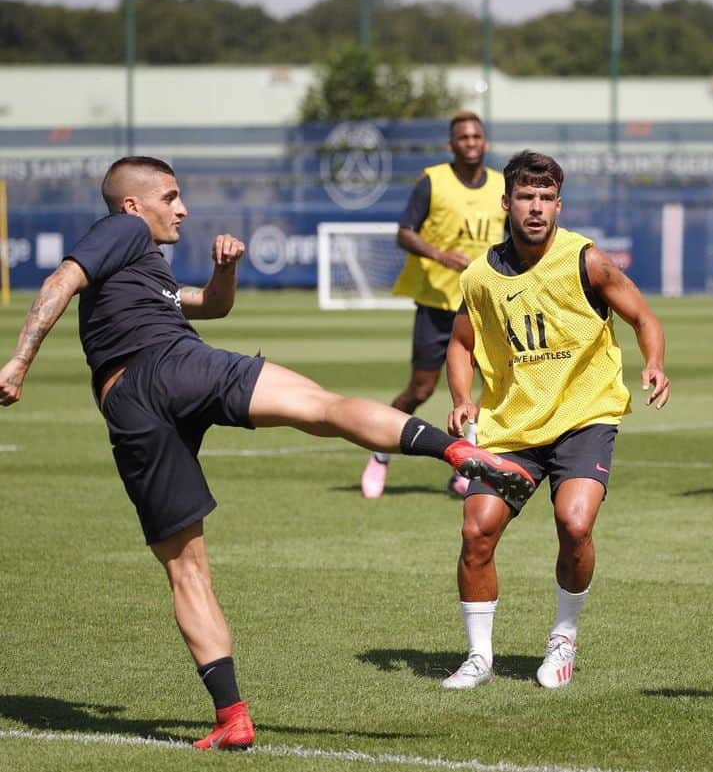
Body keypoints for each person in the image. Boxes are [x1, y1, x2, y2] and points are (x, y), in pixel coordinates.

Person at [0, 156, 536, 748]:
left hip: (128, 405)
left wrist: (223, 271)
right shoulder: (122, 230)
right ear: (132, 206)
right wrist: (19, 360)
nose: (183, 209)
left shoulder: (137, 266)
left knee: (187, 571)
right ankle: (455, 450)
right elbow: (58, 282)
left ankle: (232, 717)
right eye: (172, 197)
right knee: (321, 407)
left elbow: (210, 305)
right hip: (174, 365)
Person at [439, 150, 670, 690]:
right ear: (507, 203)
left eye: (546, 198)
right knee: (476, 532)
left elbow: (643, 316)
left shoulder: (587, 260)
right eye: (526, 197)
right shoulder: (478, 278)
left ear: (559, 204)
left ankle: (563, 638)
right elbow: (460, 342)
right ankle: (479, 657)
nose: (536, 208)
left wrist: (655, 362)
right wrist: (461, 396)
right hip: (511, 425)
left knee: (575, 523)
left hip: (584, 415)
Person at [361, 111, 507, 499]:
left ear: (485, 142)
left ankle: (467, 466)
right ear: (451, 144)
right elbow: (404, 234)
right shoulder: (433, 180)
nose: (471, 142)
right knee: (421, 389)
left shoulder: (501, 186)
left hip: (483, 303)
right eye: (463, 137)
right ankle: (380, 453)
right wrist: (442, 256)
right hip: (437, 301)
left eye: (477, 136)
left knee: (488, 388)